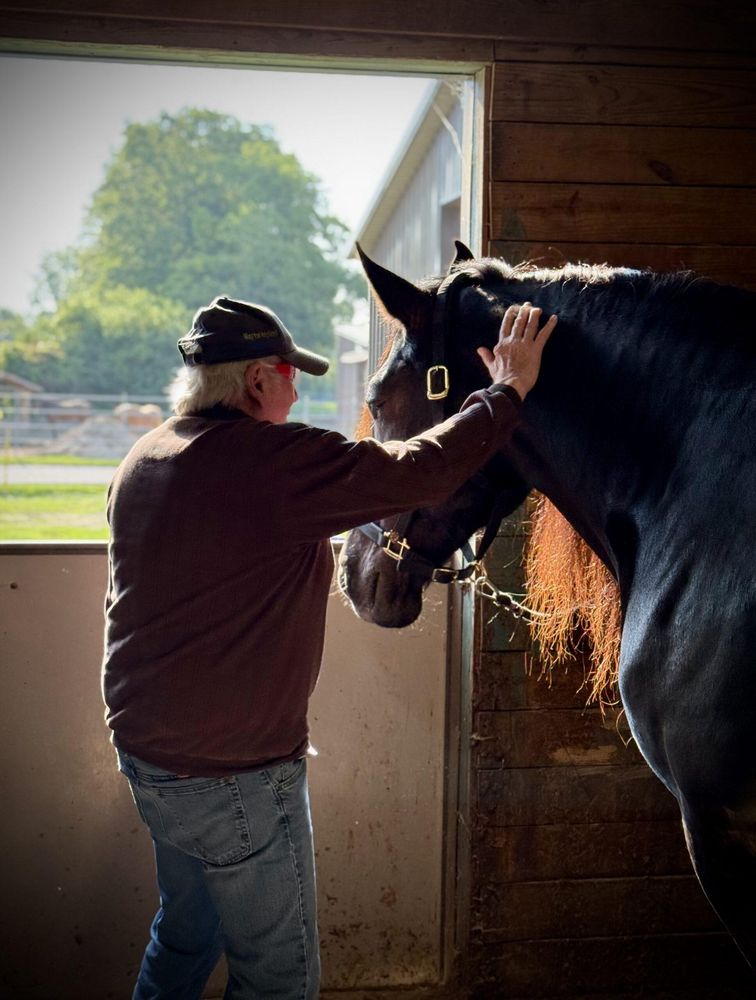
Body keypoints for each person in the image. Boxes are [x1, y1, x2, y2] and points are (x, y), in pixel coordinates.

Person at [102, 293, 556, 1000]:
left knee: (187, 935)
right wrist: (507, 390)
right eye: (291, 371)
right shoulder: (276, 461)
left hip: (149, 759)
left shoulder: (144, 456)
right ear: (257, 381)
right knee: (279, 980)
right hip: (236, 777)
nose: (297, 385)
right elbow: (419, 471)